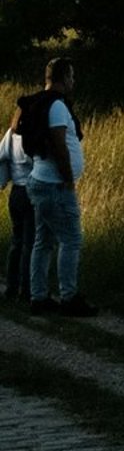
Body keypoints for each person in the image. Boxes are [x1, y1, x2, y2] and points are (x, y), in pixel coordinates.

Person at [16, 58, 97, 317]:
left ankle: (38, 297)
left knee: (44, 241)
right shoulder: (58, 107)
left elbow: (17, 126)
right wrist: (68, 177)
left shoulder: (36, 102)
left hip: (38, 180)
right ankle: (69, 297)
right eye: (72, 76)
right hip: (55, 184)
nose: (74, 81)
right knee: (71, 240)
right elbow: (59, 143)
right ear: (63, 78)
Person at [2, 101, 33, 301]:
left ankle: (11, 287)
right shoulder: (31, 138)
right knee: (29, 243)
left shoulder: (10, 135)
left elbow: (1, 156)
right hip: (30, 192)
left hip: (15, 193)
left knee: (17, 241)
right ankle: (26, 289)